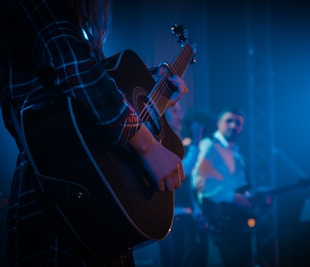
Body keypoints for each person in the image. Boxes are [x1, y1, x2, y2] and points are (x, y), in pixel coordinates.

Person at [0, 0, 188, 266]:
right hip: (57, 191)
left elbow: (91, 97)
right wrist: (148, 146)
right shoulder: (38, 6)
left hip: (94, 192)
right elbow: (80, 73)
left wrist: (154, 95)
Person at [192, 107, 253, 267]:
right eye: (229, 121)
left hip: (236, 222)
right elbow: (199, 182)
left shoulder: (236, 152)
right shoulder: (210, 145)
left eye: (238, 123)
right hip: (219, 223)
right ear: (219, 123)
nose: (233, 125)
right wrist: (232, 197)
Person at [159, 101, 211, 267]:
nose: (180, 116)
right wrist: (197, 139)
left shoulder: (179, 142)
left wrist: (197, 210)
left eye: (179, 111)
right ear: (163, 114)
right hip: (171, 217)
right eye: (174, 111)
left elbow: (187, 183)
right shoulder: (161, 142)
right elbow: (182, 172)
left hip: (185, 215)